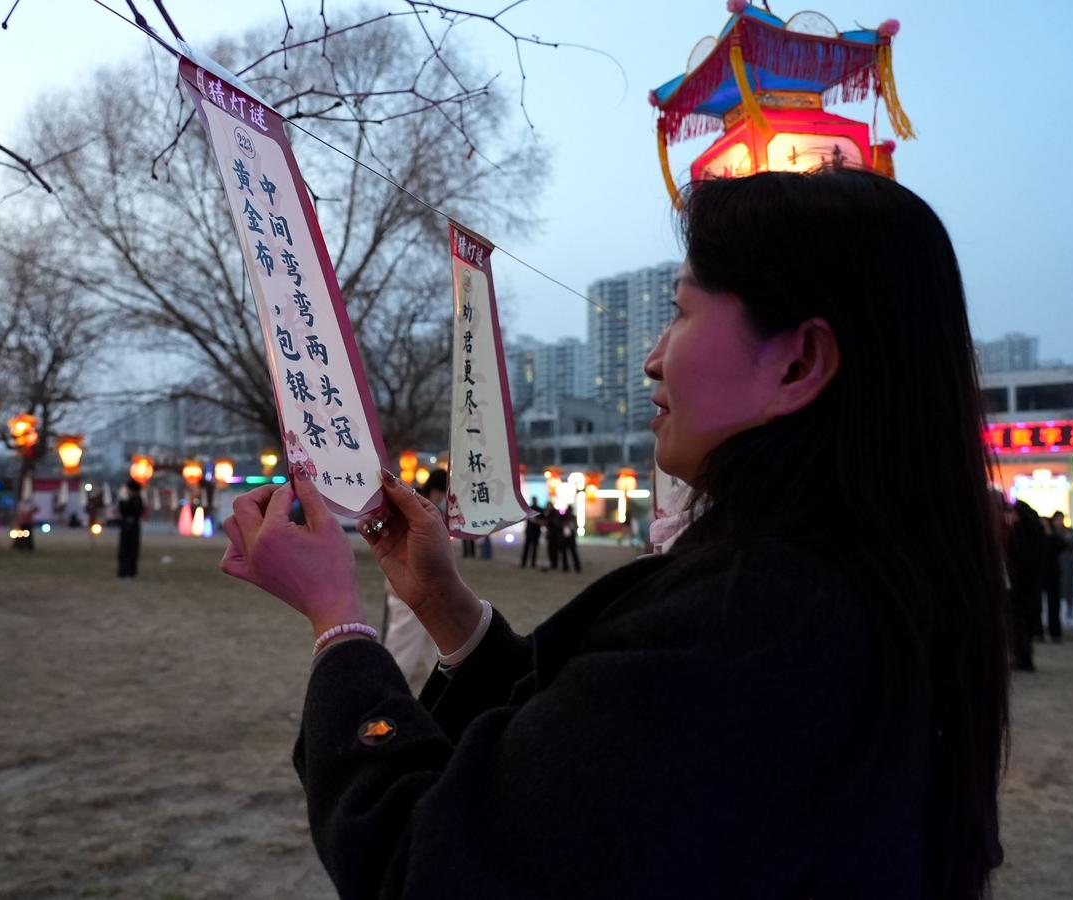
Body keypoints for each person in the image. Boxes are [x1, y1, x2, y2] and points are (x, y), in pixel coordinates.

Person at [218, 170, 1008, 898]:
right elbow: (581, 753)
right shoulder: (852, 585)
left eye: (682, 313)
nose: (653, 361)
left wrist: (339, 623)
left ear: (799, 364)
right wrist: (442, 603)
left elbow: (424, 868)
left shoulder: (758, 622)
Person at [381, 470, 449, 694]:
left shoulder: (417, 504)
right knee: (402, 652)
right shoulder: (418, 507)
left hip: (422, 588)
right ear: (439, 490)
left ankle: (443, 693)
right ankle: (387, 694)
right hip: (410, 588)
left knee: (437, 649)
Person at [1005, 500, 1045, 669]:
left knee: (1019, 621)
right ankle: (1026, 658)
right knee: (1027, 622)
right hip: (1033, 582)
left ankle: (1023, 658)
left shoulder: (1018, 532)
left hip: (1019, 582)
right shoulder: (1038, 531)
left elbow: (1015, 555)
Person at [1044, 511, 1073, 636]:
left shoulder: (1068, 531)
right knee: (1055, 595)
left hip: (1068, 565)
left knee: (1069, 591)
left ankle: (1069, 616)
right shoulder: (1051, 533)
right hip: (1056, 566)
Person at [116, 481, 144, 578]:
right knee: (128, 550)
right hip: (130, 528)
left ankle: (128, 571)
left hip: (131, 528)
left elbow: (126, 511)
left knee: (129, 551)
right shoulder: (135, 499)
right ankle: (127, 572)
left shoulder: (136, 500)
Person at [518, 499, 543, 568]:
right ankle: (526, 563)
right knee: (528, 548)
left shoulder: (534, 509)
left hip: (535, 531)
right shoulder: (532, 508)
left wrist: (536, 521)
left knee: (532, 548)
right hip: (531, 531)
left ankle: (531, 563)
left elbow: (543, 520)